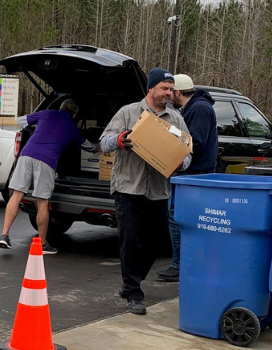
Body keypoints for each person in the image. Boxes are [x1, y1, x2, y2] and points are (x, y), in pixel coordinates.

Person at [99, 67, 191, 315]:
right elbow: (103, 141)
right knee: (131, 240)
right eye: (164, 88)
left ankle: (131, 282)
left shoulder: (176, 120)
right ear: (151, 88)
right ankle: (134, 292)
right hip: (129, 187)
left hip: (158, 190)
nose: (169, 93)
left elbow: (187, 153)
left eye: (171, 90)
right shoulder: (129, 112)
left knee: (159, 243)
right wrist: (120, 139)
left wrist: (180, 161)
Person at [0, 99, 98, 254]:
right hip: (47, 161)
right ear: (74, 115)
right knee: (42, 202)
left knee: (17, 194)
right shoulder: (72, 126)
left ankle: (4, 235)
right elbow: (89, 147)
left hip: (26, 155)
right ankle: (43, 244)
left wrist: (36, 127)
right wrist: (100, 147)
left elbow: (21, 121)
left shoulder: (47, 113)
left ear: (60, 108)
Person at [159, 74, 218, 283]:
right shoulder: (193, 108)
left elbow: (197, 142)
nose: (168, 96)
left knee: (178, 218)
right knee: (179, 218)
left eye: (170, 92)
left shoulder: (199, 109)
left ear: (177, 92)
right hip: (192, 174)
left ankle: (180, 265)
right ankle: (183, 263)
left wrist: (168, 134)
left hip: (195, 175)